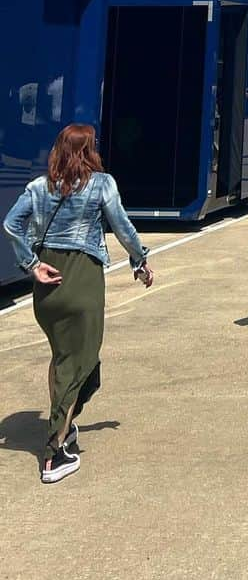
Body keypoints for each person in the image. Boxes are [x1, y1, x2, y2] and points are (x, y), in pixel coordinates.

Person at [3, 123, 154, 484]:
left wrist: (32, 265)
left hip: (48, 284)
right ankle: (54, 453)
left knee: (62, 357)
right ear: (90, 150)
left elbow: (11, 225)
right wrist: (140, 260)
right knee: (81, 362)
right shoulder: (102, 183)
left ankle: (64, 424)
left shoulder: (39, 187)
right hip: (82, 278)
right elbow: (122, 226)